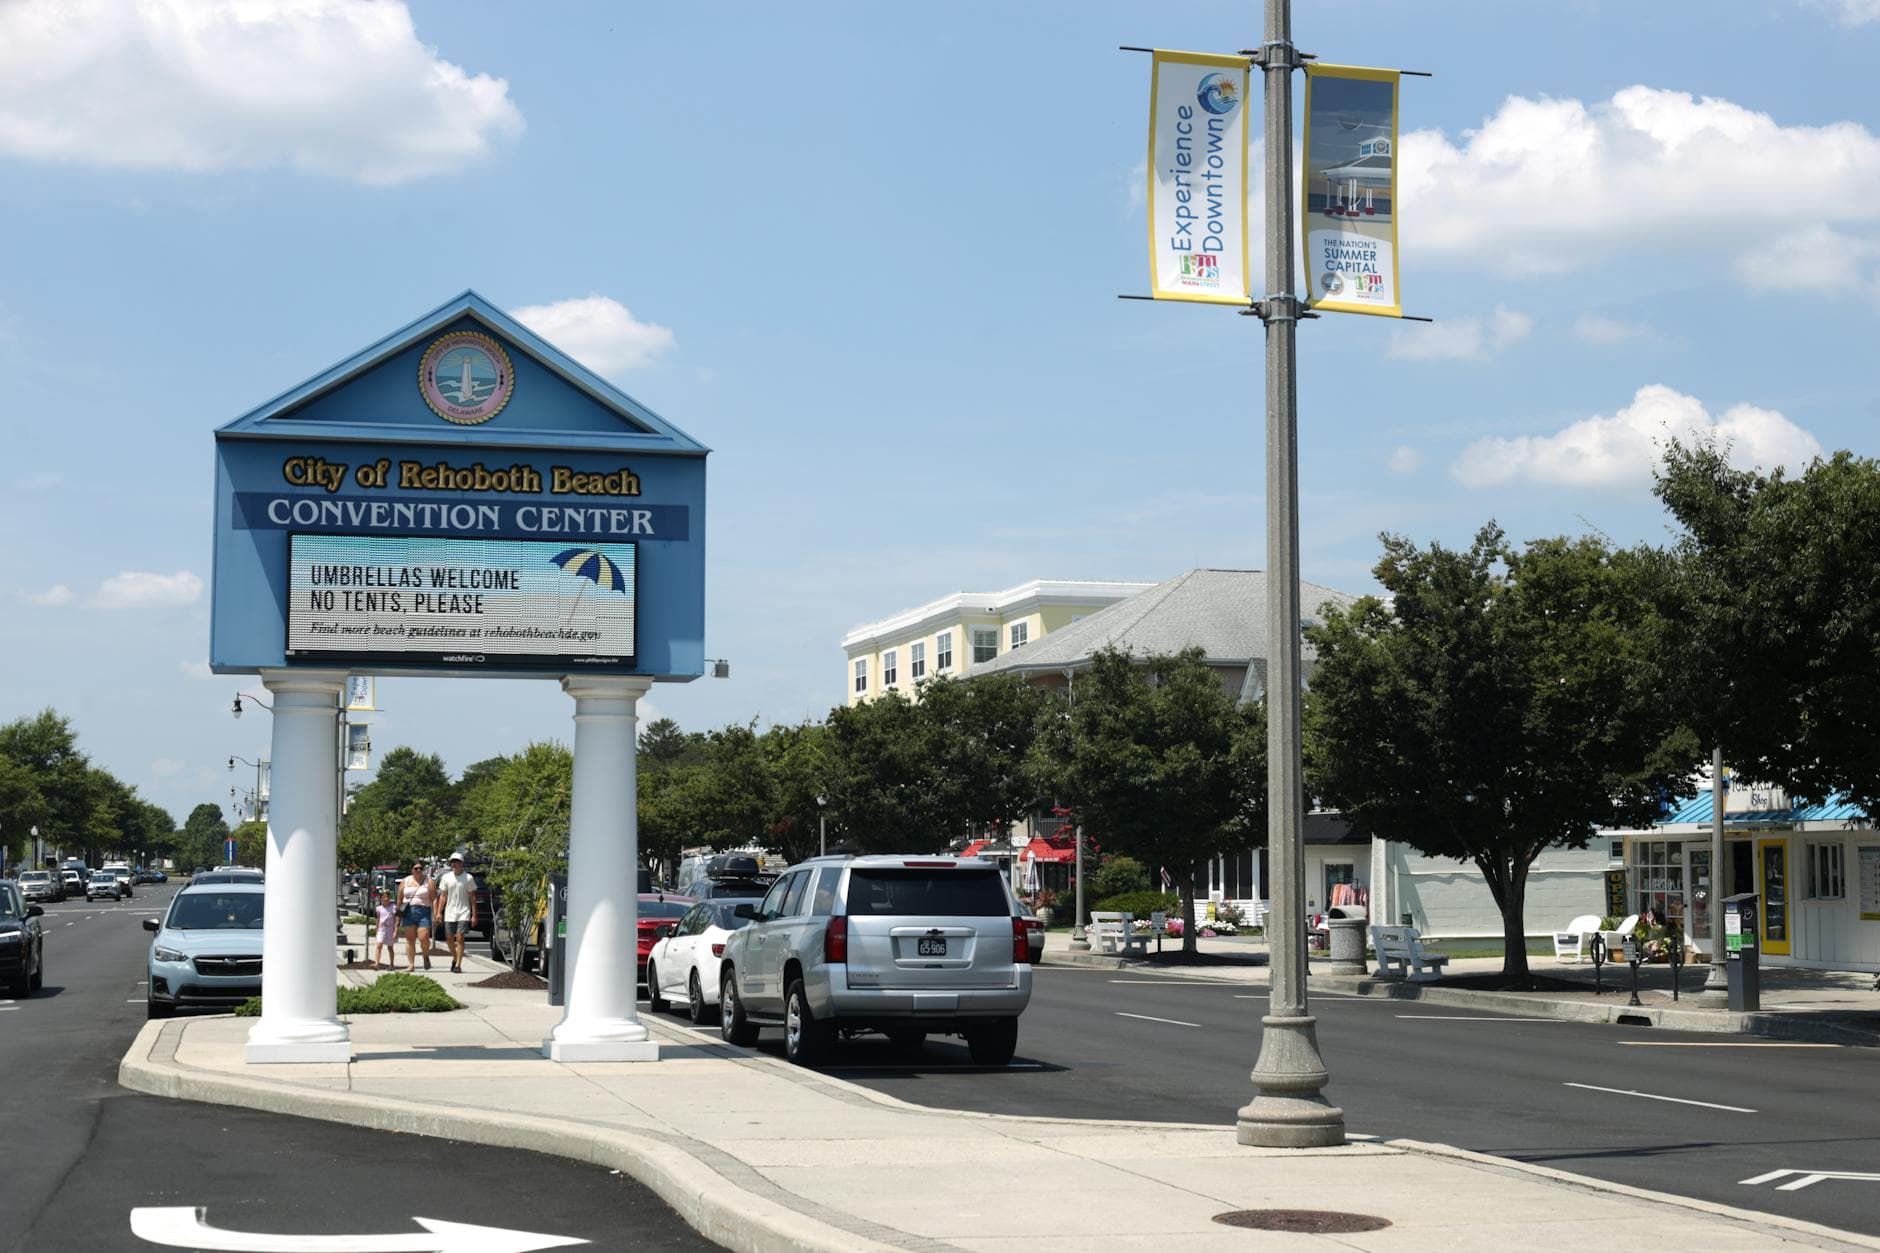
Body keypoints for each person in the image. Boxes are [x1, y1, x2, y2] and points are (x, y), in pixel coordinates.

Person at [435, 851, 478, 974]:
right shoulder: (446, 877)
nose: (454, 864)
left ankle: (458, 964)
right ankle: (454, 957)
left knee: (460, 937)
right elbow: (443, 896)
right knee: (449, 938)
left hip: (464, 912)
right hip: (450, 912)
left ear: (461, 863)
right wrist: (439, 912)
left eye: (457, 861)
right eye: (453, 862)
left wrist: (474, 915)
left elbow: (472, 898)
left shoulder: (468, 878)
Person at [396, 861, 436, 972]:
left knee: (424, 937)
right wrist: (397, 917)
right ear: (412, 870)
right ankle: (411, 964)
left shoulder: (429, 882)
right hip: (408, 911)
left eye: (420, 868)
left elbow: (434, 899)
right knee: (410, 939)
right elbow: (399, 899)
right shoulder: (405, 881)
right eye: (416, 868)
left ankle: (425, 956)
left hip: (424, 911)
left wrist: (436, 913)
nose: (418, 870)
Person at [373, 895, 397, 970]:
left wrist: (396, 931)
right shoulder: (379, 908)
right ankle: (376, 963)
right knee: (379, 945)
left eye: (387, 897)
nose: (385, 899)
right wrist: (376, 930)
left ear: (390, 898)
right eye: (383, 897)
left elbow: (396, 920)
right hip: (381, 929)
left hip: (390, 929)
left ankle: (391, 964)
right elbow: (377, 920)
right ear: (381, 899)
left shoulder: (393, 907)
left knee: (390, 947)